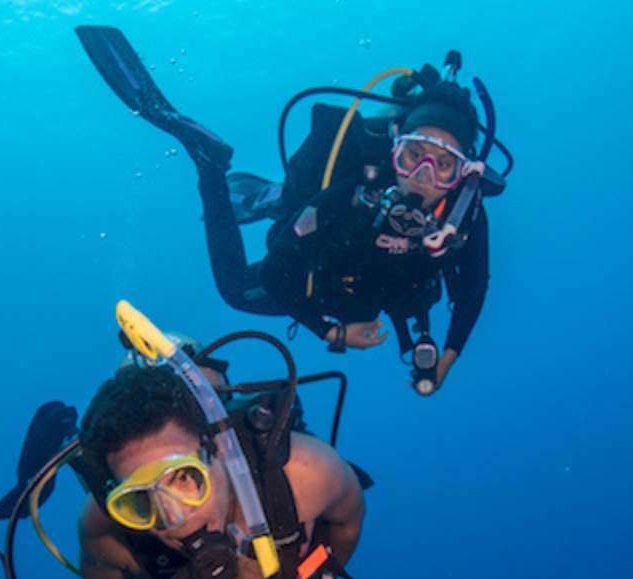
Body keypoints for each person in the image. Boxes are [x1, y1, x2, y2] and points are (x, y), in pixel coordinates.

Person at [77, 27, 496, 395]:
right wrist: (331, 332)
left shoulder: (465, 217)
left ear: (463, 176)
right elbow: (278, 274)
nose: (423, 177)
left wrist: (450, 354)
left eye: (444, 166)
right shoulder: (352, 193)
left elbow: (475, 286)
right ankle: (211, 165)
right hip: (323, 271)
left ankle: (271, 195)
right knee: (236, 289)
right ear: (394, 150)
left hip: (369, 297)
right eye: (413, 156)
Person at [74, 358, 366, 579]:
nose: (174, 519)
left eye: (186, 477)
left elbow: (348, 521)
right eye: (139, 499)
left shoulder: (309, 473)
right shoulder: (103, 530)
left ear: (221, 450)